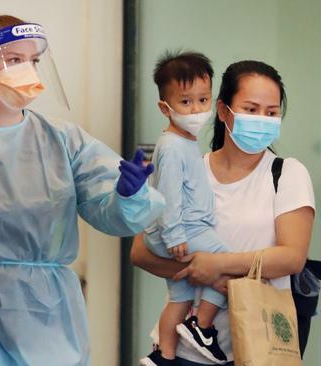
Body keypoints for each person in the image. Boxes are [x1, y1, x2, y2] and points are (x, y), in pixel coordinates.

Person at [0, 15, 165, 366]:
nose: (28, 70)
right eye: (14, 60)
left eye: (34, 61)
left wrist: (128, 195)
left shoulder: (64, 141)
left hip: (47, 325)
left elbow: (113, 215)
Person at [132, 60, 315, 366]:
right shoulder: (191, 167)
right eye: (251, 109)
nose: (262, 119)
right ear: (222, 111)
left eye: (271, 112)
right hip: (181, 352)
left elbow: (291, 257)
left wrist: (217, 266)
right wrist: (205, 275)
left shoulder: (287, 174)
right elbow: (141, 251)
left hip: (255, 347)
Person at [141, 51, 230, 366]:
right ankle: (202, 326)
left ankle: (163, 356)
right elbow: (169, 195)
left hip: (180, 230)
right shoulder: (173, 146)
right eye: (186, 102)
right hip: (183, 230)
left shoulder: (184, 141)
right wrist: (175, 233)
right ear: (165, 108)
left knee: (178, 299)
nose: (197, 109)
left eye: (203, 100)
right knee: (228, 266)